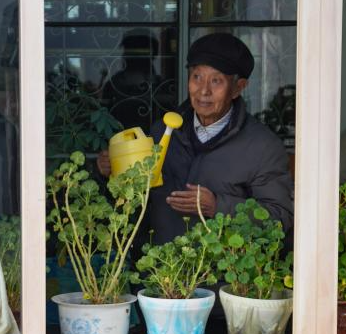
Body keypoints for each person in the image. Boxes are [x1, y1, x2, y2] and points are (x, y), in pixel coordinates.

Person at [98, 32, 293, 243]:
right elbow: (132, 204)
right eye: (197, 77)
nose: (203, 91)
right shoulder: (162, 132)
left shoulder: (263, 147)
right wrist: (109, 173)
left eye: (216, 81)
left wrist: (218, 206)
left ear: (238, 88)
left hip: (223, 265)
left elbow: (279, 217)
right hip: (159, 263)